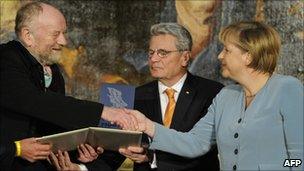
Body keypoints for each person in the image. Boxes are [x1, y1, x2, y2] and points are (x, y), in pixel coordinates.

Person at [127, 21, 304, 170]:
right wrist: (147, 125)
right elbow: (195, 143)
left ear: (248, 56)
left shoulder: (287, 88)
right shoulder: (225, 96)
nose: (220, 56)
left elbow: (299, 160)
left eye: (227, 50)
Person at [0, 2, 136, 170]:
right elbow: (32, 100)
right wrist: (104, 111)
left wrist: (80, 152)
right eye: (56, 34)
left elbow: (52, 125)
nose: (63, 41)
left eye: (64, 33)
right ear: (28, 35)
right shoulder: (6, 58)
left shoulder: (53, 72)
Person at [118, 23, 223, 171]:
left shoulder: (212, 93)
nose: (153, 59)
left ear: (185, 58)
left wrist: (152, 157)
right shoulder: (136, 96)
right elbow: (116, 148)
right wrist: (82, 167)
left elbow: (202, 150)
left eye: (162, 53)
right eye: (151, 52)